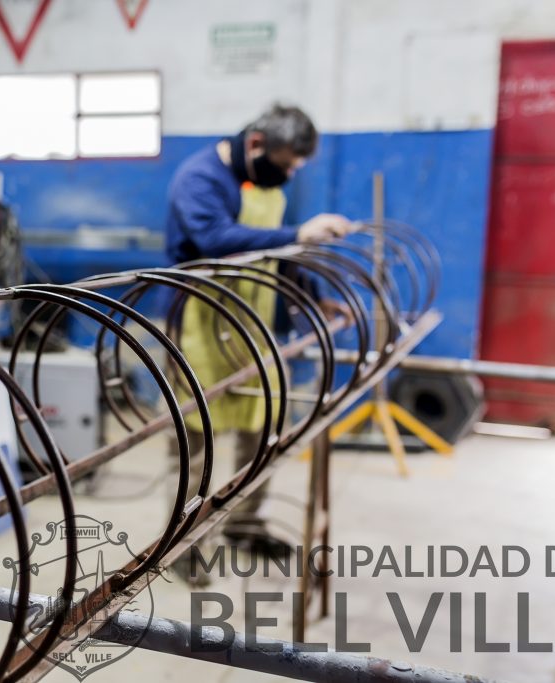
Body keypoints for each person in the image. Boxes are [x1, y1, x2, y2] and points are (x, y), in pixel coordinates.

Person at [164, 104, 353, 586]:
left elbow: (278, 258)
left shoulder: (265, 185)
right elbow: (213, 238)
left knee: (264, 427)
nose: (288, 173)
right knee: (197, 440)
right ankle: (184, 545)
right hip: (200, 324)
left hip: (255, 321)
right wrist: (297, 232)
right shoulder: (200, 178)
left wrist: (316, 300)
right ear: (256, 145)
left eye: (295, 167)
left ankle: (245, 526)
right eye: (285, 163)